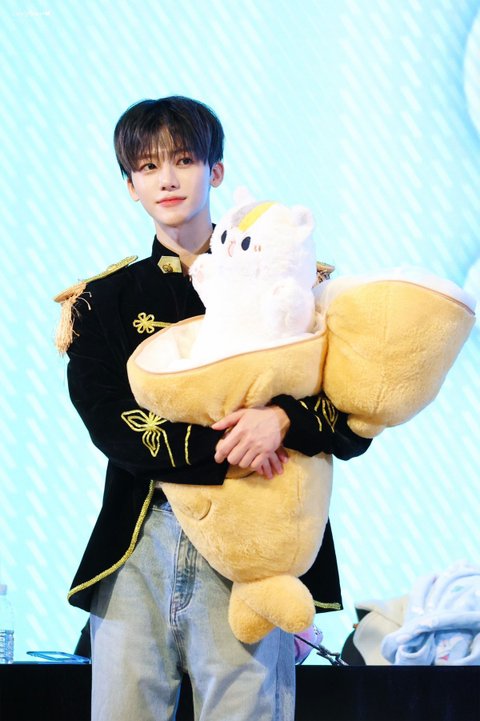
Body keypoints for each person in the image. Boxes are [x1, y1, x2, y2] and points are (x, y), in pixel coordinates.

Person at [57, 95, 371, 721]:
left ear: (216, 171)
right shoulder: (102, 300)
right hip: (139, 544)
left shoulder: (295, 283)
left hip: (255, 548)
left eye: (183, 160)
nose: (167, 179)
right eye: (148, 167)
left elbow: (356, 417)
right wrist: (229, 446)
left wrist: (282, 420)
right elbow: (109, 421)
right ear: (130, 187)